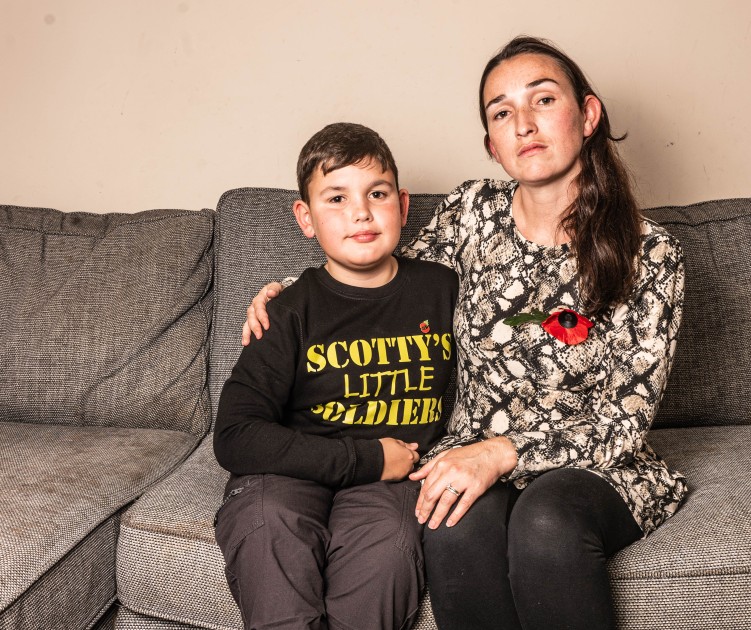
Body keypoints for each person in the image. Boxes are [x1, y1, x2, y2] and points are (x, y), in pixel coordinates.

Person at [245, 37, 687, 630]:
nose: (523, 124)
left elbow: (623, 421)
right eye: (502, 113)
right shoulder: (471, 214)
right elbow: (386, 287)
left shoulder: (650, 253)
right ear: (491, 145)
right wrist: (291, 296)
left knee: (545, 523)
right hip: (471, 457)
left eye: (543, 100)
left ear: (587, 115)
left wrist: (501, 453)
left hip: (595, 464)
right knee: (452, 527)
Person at [213, 122, 459, 630]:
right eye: (337, 198)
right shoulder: (289, 311)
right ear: (305, 218)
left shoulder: (445, 291)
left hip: (392, 483)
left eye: (377, 193)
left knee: (389, 548)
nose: (361, 212)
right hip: (290, 470)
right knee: (267, 526)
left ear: (403, 206)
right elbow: (235, 434)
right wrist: (366, 459)